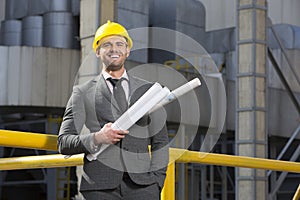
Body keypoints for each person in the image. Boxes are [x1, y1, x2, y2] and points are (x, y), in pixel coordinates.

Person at [58, 20, 169, 200]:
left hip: (144, 188)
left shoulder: (148, 92)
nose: (113, 49)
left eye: (119, 44)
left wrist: (157, 182)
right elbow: (64, 142)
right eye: (106, 45)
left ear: (127, 50)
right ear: (97, 51)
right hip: (99, 188)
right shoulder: (82, 93)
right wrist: (97, 138)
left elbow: (161, 142)